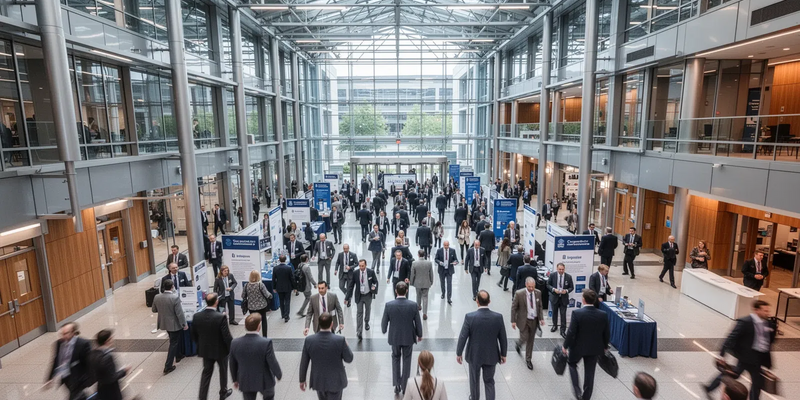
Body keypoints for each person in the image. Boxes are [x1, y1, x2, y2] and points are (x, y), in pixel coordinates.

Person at [703, 300, 776, 400]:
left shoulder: (767, 323)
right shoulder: (745, 322)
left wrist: (768, 365)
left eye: (768, 311)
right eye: (765, 311)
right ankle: (710, 387)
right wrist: (722, 354)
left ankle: (709, 388)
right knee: (733, 375)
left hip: (758, 360)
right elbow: (731, 337)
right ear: (756, 310)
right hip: (745, 358)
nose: (767, 313)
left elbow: (768, 342)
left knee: (757, 384)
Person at [456, 290, 507, 400]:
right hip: (491, 355)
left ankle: (474, 397)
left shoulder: (470, 317)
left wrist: (459, 353)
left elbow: (463, 336)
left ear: (477, 301)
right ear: (489, 301)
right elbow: (503, 337)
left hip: (474, 355)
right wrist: (503, 354)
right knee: (489, 381)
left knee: (474, 381)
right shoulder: (498, 317)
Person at [562, 290, 610, 400]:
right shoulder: (603, 315)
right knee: (590, 372)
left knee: (572, 364)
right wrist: (605, 346)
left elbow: (571, 332)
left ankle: (577, 391)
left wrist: (565, 346)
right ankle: (586, 397)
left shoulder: (577, 313)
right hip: (594, 348)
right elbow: (606, 333)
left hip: (577, 348)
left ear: (583, 300)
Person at [299, 312, 354, 400]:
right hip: (336, 382)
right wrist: (346, 345)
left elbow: (304, 362)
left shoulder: (309, 340)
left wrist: (302, 380)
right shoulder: (340, 340)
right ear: (332, 324)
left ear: (318, 324)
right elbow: (349, 358)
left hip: (319, 381)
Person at [382, 282, 423, 395]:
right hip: (408, 337)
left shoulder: (389, 305)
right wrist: (419, 334)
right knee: (407, 360)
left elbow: (384, 323)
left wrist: (384, 329)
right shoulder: (413, 305)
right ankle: (405, 386)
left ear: (396, 291)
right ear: (407, 291)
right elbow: (418, 322)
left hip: (394, 337)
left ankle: (397, 384)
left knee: (395, 358)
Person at [229, 314, 282, 400]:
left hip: (246, 380)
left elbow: (232, 363)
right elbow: (272, 361)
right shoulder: (266, 342)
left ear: (245, 326)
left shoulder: (235, 343)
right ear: (259, 326)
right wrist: (278, 374)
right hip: (265, 379)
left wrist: (235, 379)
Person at [192, 294, 234, 400]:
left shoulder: (197, 316)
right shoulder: (220, 317)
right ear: (216, 302)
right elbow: (227, 336)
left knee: (206, 373)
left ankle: (202, 397)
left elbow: (193, 335)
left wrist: (201, 345)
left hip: (206, 350)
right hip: (221, 351)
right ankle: (223, 392)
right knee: (223, 371)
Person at [45, 322, 93, 400]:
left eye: (66, 333)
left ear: (73, 333)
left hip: (78, 378)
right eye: (62, 333)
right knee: (76, 395)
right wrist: (50, 378)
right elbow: (55, 360)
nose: (63, 336)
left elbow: (89, 363)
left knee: (75, 396)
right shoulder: (58, 343)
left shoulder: (83, 344)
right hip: (65, 377)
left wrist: (87, 380)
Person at [151, 279, 188, 374]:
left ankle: (178, 355)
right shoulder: (174, 297)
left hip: (164, 323)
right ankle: (168, 366)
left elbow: (154, 310)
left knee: (173, 340)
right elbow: (179, 313)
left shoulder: (157, 297)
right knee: (173, 343)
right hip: (174, 324)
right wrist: (184, 324)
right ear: (172, 287)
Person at [511, 277, 544, 370]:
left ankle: (528, 359)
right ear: (526, 285)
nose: (531, 289)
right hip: (523, 320)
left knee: (531, 340)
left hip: (534, 320)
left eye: (533, 287)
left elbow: (540, 306)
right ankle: (519, 343)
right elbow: (514, 308)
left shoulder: (538, 293)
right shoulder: (519, 293)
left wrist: (541, 318)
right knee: (524, 337)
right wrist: (513, 320)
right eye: (529, 287)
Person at [91, 329, 130, 400]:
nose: (112, 340)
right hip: (111, 391)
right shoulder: (107, 357)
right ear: (107, 341)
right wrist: (124, 371)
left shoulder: (93, 354)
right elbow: (111, 377)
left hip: (100, 388)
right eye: (111, 338)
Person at [345, 260, 379, 340]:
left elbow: (375, 281)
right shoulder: (356, 273)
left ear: (366, 265)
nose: (361, 267)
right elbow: (351, 286)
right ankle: (359, 331)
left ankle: (366, 322)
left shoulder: (371, 272)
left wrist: (374, 288)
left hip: (368, 294)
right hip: (359, 295)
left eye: (362, 266)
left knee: (368, 310)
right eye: (360, 266)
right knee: (359, 313)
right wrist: (347, 297)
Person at [242, 270, 273, 337]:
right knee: (264, 320)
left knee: (253, 321)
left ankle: (254, 335)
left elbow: (243, 296)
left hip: (251, 307)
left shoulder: (246, 285)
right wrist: (271, 296)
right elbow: (267, 294)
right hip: (262, 306)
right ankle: (265, 336)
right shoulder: (260, 285)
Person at [547, 263, 574, 336]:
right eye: (560, 269)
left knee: (563, 314)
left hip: (563, 298)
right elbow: (548, 285)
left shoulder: (568, 277)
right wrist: (553, 289)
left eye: (562, 269)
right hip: (555, 297)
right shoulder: (552, 275)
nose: (561, 271)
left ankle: (563, 330)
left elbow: (571, 287)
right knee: (554, 313)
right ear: (557, 268)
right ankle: (554, 326)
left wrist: (566, 291)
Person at [410, 249, 434, 320]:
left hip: (417, 282)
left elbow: (412, 274)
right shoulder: (429, 263)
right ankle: (425, 313)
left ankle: (418, 306)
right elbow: (431, 273)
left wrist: (411, 282)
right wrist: (431, 281)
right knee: (425, 297)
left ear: (418, 255)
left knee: (418, 295)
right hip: (426, 282)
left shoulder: (414, 263)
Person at [272, 254, 295, 323]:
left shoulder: (275, 268)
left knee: (281, 301)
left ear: (279, 260)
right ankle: (286, 316)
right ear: (285, 260)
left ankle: (282, 314)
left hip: (279, 287)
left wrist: (274, 287)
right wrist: (294, 287)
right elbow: (292, 278)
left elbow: (274, 279)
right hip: (288, 287)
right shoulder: (289, 268)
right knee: (287, 301)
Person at [435, 241, 458, 305]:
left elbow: (455, 259)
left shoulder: (452, 251)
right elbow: (436, 259)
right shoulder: (439, 251)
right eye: (445, 245)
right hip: (442, 270)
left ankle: (449, 298)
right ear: (443, 245)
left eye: (447, 245)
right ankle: (443, 293)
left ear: (449, 245)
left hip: (449, 270)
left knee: (449, 284)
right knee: (442, 283)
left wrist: (455, 262)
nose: (446, 247)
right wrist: (439, 262)